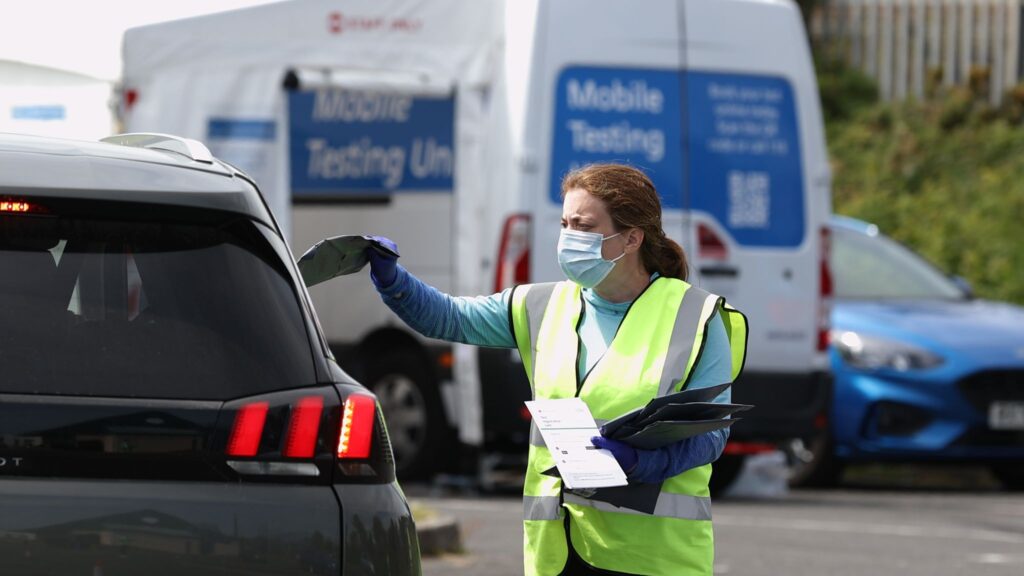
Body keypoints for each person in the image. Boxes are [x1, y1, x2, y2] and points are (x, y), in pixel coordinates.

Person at [365, 163, 747, 576]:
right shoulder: (543, 306)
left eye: (583, 225)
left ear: (632, 238)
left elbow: (711, 437)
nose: (569, 238)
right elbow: (449, 318)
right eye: (565, 223)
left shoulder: (697, 316)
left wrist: (640, 463)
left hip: (652, 557)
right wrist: (393, 280)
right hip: (557, 552)